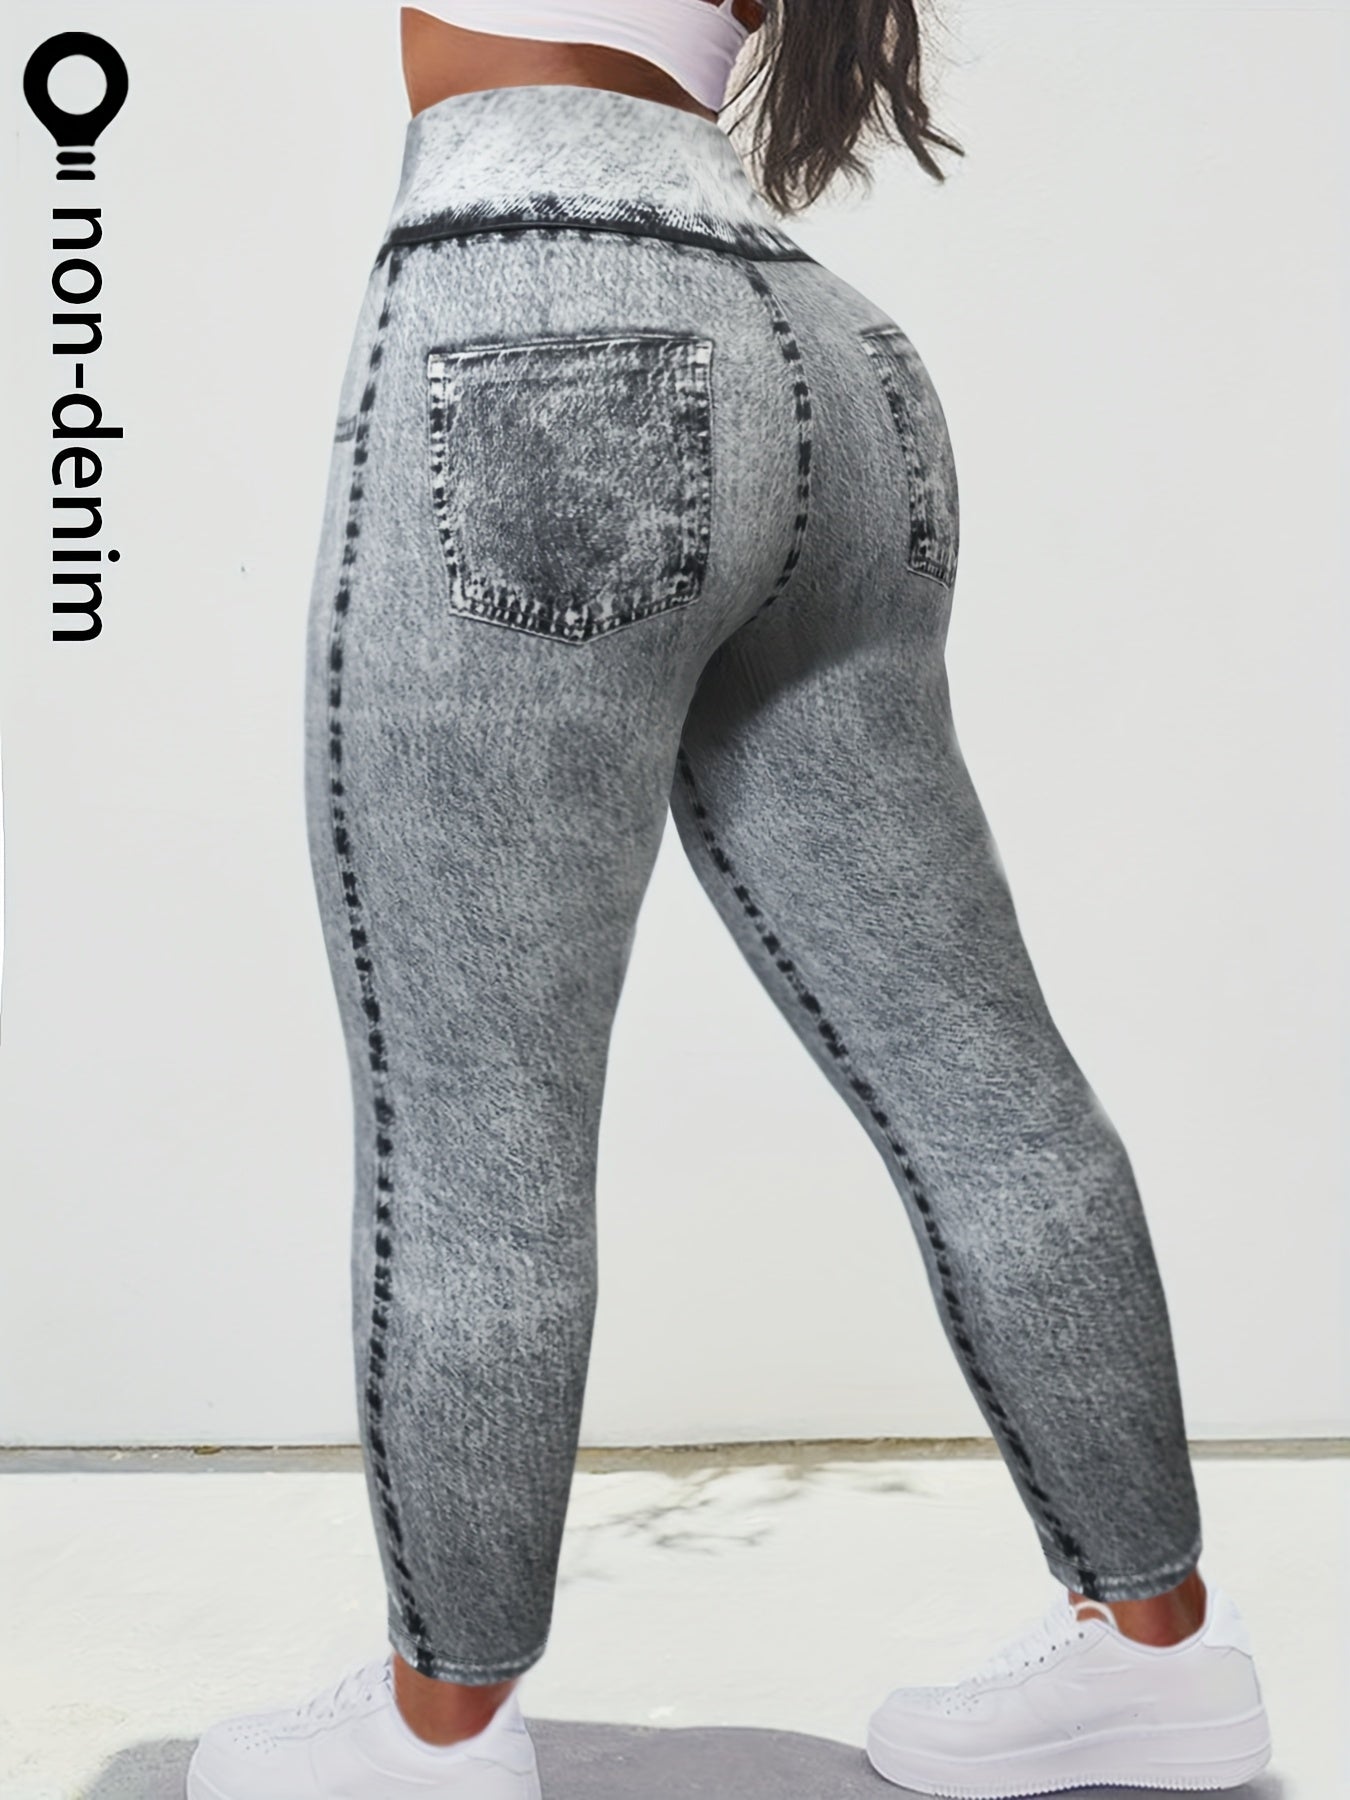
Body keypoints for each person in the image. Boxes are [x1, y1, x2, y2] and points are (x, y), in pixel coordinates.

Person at [187, 4, 1273, 1796]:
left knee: (476, 1125)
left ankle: (435, 1733)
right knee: (984, 1083)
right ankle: (1160, 1658)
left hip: (534, 318)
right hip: (827, 355)